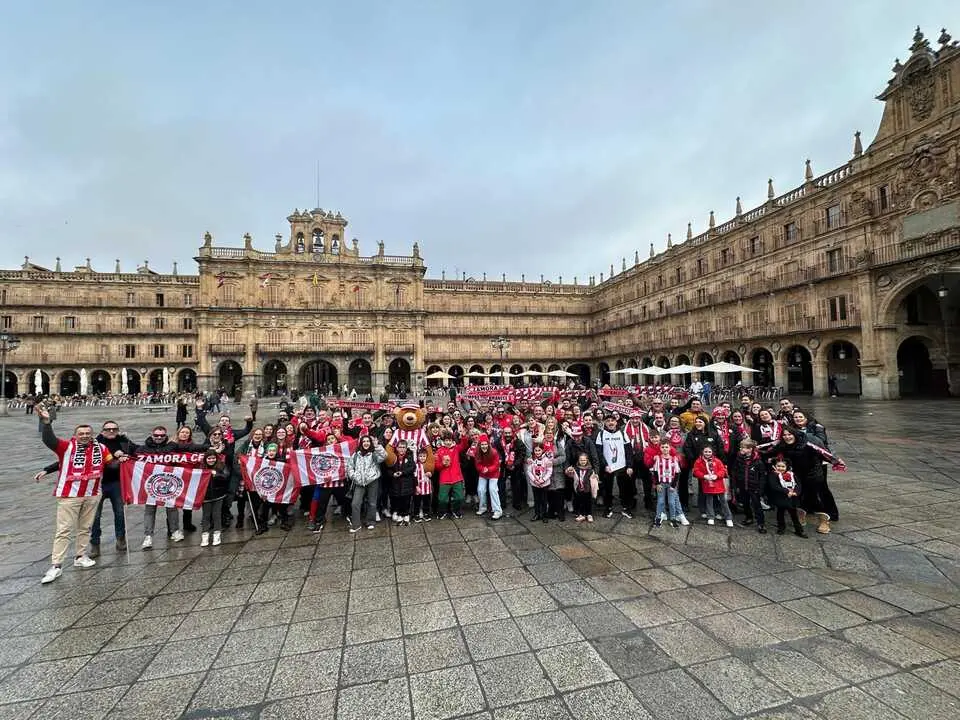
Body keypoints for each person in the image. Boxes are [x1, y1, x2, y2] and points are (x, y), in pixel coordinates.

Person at [36, 405, 123, 584]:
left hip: (92, 493)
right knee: (64, 530)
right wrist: (46, 423)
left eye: (87, 433)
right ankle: (56, 565)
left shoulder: (101, 448)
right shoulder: (66, 446)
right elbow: (49, 440)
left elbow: (110, 464)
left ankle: (80, 556)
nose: (84, 435)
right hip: (70, 495)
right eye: (81, 433)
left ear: (92, 434)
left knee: (85, 528)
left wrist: (122, 460)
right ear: (76, 435)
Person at [88, 419, 133, 557]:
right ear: (102, 431)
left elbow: (139, 450)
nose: (112, 431)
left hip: (116, 483)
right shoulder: (94, 444)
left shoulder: (124, 441)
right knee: (94, 516)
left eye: (114, 429)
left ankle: (120, 539)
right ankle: (95, 544)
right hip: (97, 484)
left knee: (120, 513)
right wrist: (47, 470)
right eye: (108, 429)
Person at [348, 435, 386, 531]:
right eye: (364, 441)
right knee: (355, 503)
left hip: (372, 481)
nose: (366, 443)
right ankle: (356, 525)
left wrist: (377, 446)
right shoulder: (356, 455)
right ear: (361, 443)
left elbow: (384, 456)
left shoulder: (374, 454)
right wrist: (354, 476)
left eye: (368, 441)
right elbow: (349, 467)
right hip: (359, 482)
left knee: (372, 502)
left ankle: (370, 521)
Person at [765, 459, 807, 537]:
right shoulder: (773, 475)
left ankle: (799, 530)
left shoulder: (791, 474)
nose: (780, 468)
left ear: (787, 467)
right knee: (780, 513)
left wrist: (796, 492)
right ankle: (781, 528)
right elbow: (774, 486)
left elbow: (798, 484)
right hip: (780, 497)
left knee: (794, 515)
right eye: (778, 466)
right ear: (775, 466)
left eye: (783, 466)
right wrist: (786, 491)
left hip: (791, 498)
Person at [693, 446, 732, 527]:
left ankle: (728, 517)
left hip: (718, 484)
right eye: (706, 451)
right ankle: (711, 516)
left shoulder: (717, 461)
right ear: (702, 452)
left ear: (712, 452)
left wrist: (717, 476)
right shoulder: (699, 461)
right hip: (707, 484)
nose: (707, 453)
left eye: (709, 452)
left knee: (723, 501)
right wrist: (704, 476)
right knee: (709, 501)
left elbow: (722, 470)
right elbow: (696, 471)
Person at [199, 448, 231, 547]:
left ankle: (217, 534)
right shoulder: (201, 468)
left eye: (213, 458)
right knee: (206, 516)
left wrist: (216, 474)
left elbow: (226, 476)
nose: (211, 460)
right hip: (206, 497)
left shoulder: (221, 466)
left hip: (218, 495)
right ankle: (205, 535)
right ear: (205, 459)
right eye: (209, 458)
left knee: (217, 515)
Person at [525, 441, 552, 522]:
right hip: (534, 484)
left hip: (544, 483)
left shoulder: (547, 460)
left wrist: (543, 480)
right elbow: (529, 471)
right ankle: (537, 514)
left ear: (542, 450)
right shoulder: (531, 460)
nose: (537, 452)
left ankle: (544, 515)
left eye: (539, 450)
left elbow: (549, 471)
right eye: (536, 450)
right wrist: (534, 480)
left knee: (544, 500)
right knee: (536, 500)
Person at [570, 451, 598, 523]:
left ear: (587, 460)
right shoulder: (576, 469)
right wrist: (569, 470)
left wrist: (596, 477)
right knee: (580, 502)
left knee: (588, 502)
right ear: (578, 461)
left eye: (584, 460)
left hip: (588, 489)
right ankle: (582, 514)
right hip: (579, 489)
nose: (583, 461)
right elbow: (570, 474)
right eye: (581, 460)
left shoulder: (590, 470)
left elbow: (594, 480)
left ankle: (589, 514)